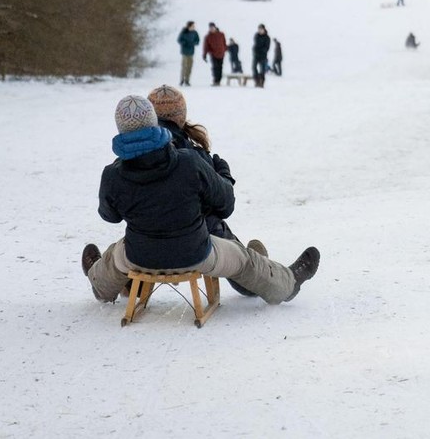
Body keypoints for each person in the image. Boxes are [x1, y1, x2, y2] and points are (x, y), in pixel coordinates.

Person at [81, 95, 319, 306]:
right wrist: (222, 176)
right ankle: (288, 283)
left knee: (115, 255)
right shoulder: (189, 162)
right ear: (154, 122)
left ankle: (100, 285)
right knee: (243, 259)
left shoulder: (113, 174)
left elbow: (109, 216)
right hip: (196, 254)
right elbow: (225, 203)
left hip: (140, 256)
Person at [147, 86, 257, 297]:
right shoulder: (192, 156)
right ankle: (255, 273)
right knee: (209, 218)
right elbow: (224, 204)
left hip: (144, 243)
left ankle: (111, 279)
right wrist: (223, 173)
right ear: (181, 116)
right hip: (193, 242)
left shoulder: (130, 159)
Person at [177, 22, 199, 86]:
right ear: (189, 26)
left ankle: (187, 80)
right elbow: (179, 40)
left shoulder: (195, 33)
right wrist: (185, 43)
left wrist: (194, 43)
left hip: (191, 52)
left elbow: (197, 40)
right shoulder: (184, 32)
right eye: (193, 26)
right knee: (184, 66)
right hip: (184, 52)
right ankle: (182, 80)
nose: (194, 27)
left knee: (189, 67)